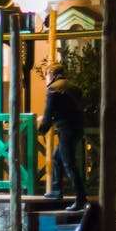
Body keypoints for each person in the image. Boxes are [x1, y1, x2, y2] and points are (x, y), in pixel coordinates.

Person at [38, 66, 86, 209]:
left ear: (52, 74)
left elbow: (48, 114)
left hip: (65, 130)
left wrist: (41, 130)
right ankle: (57, 190)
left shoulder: (53, 89)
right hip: (77, 128)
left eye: (47, 74)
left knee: (69, 163)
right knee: (57, 157)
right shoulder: (74, 88)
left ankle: (81, 198)